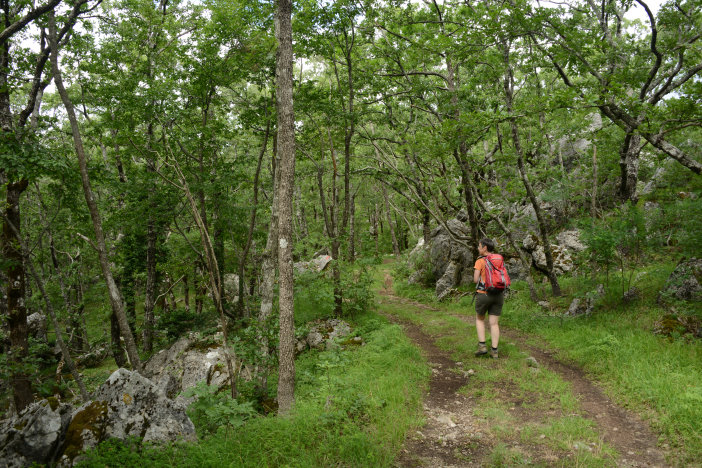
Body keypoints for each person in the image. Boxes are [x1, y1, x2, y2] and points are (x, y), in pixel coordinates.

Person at [473, 238, 504, 359]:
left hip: (484, 294)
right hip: (498, 294)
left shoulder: (480, 261)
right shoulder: (499, 259)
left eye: (479, 246)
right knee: (494, 323)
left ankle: (482, 346)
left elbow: (476, 280)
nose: (478, 248)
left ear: (484, 247)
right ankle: (494, 351)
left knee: (480, 319)